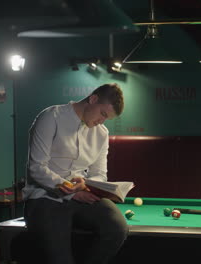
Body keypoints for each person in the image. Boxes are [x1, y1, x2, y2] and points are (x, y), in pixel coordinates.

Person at [22, 83, 127, 264]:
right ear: (93, 99)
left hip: (83, 195)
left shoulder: (102, 133)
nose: (102, 121)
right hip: (45, 198)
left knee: (118, 228)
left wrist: (85, 184)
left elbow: (100, 174)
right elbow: (37, 168)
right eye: (103, 114)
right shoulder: (50, 117)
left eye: (107, 118)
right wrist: (73, 191)